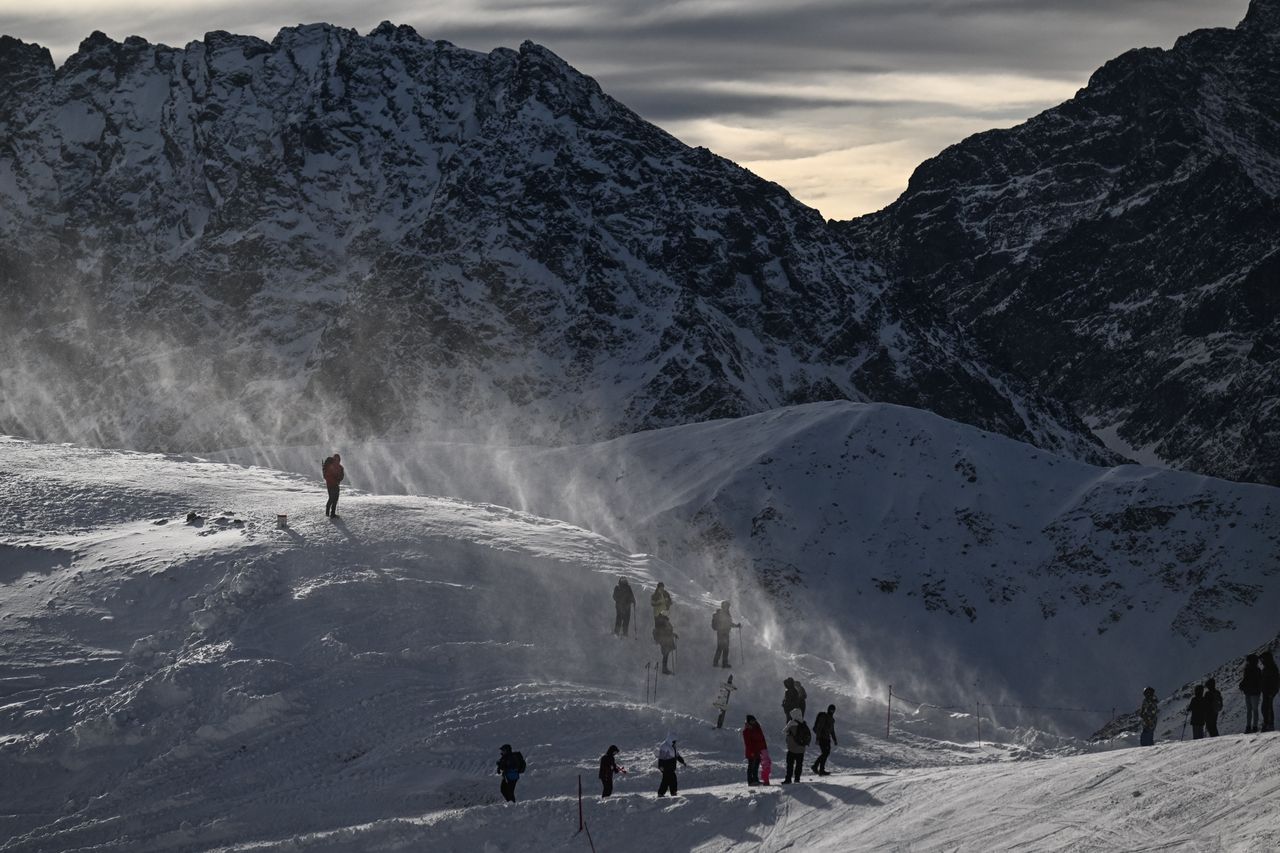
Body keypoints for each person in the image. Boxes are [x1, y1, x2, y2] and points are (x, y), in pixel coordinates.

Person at [742, 714, 771, 786]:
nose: (753, 721)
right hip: (751, 750)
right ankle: (750, 781)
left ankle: (755, 779)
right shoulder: (746, 730)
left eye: (754, 720)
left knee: (756, 765)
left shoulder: (758, 727)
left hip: (759, 750)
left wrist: (764, 748)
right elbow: (748, 743)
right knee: (751, 766)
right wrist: (751, 752)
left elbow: (762, 738)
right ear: (748, 722)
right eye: (751, 721)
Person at [711, 601, 741, 668]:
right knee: (724, 648)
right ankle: (723, 663)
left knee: (721, 648)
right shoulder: (723, 614)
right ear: (725, 606)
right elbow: (728, 624)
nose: (728, 607)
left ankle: (716, 662)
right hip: (723, 633)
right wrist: (736, 626)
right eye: (728, 606)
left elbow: (729, 624)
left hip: (722, 633)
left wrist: (736, 626)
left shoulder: (725, 613)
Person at [782, 708, 809, 783]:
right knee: (799, 764)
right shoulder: (803, 723)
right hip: (801, 748)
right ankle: (797, 779)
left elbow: (783, 731)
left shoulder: (792, 722)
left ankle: (788, 779)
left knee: (790, 764)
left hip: (792, 748)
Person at [811, 704, 838, 775]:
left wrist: (834, 739)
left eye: (833, 710)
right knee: (825, 753)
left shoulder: (832, 719)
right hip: (822, 738)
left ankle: (819, 768)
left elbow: (832, 731)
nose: (832, 711)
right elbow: (819, 728)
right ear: (828, 709)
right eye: (831, 709)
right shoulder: (824, 717)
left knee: (826, 753)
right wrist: (817, 738)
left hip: (827, 738)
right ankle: (816, 767)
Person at [1241, 654, 1263, 734]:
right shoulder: (1257, 670)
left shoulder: (1247, 670)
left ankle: (1248, 727)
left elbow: (1245, 680)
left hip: (1248, 692)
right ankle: (1254, 727)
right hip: (1255, 693)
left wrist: (1242, 686)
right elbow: (1260, 681)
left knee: (1249, 710)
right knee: (1255, 710)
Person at [1260, 651, 1279, 733]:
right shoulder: (1268, 667)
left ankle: (1269, 725)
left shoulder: (1271, 668)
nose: (1261, 661)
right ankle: (1267, 723)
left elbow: (1275, 681)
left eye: (1262, 659)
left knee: (1268, 707)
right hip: (1266, 691)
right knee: (1265, 707)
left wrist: (1272, 691)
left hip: (1269, 691)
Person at [322, 453, 345, 518]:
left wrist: (339, 479)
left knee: (335, 499)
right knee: (332, 498)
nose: (337, 460)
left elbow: (342, 476)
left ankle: (332, 514)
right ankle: (327, 513)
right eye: (336, 459)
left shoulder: (340, 467)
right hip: (331, 485)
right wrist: (335, 480)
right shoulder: (330, 466)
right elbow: (327, 476)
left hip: (336, 485)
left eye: (338, 459)